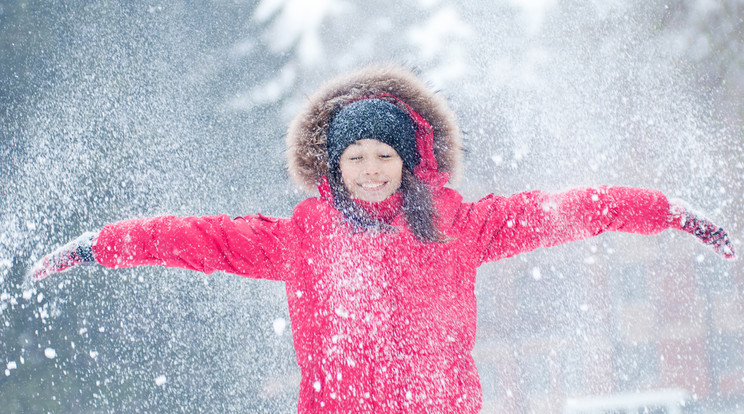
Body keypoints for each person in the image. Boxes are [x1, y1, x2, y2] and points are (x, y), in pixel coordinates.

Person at [29, 65, 735, 413]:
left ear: (409, 161)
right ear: (334, 165)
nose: (370, 171)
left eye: (384, 157)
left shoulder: (459, 226)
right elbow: (197, 239)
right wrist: (99, 244)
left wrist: (666, 210)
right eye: (355, 158)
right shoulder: (301, 237)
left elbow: (572, 210)